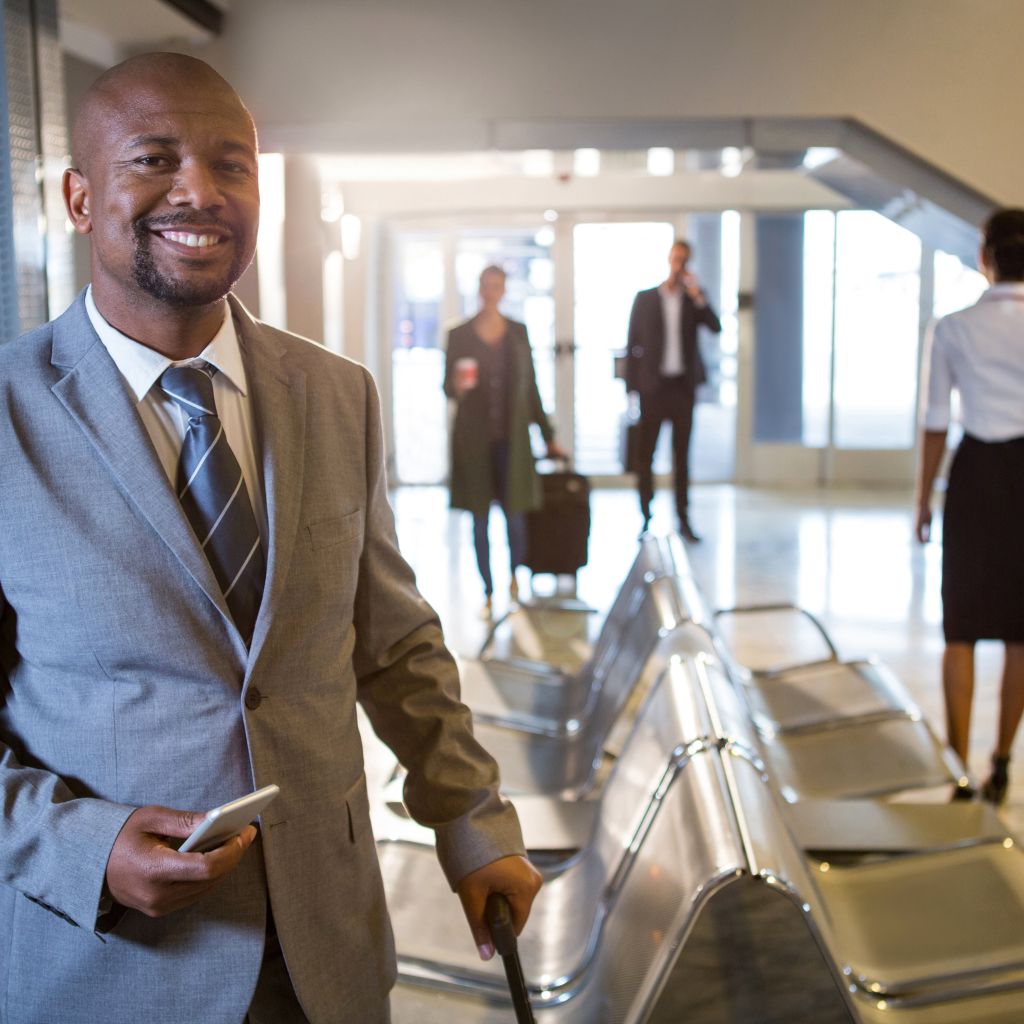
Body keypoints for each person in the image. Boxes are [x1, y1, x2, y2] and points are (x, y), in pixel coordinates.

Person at [0, 53, 540, 1024]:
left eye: (232, 164)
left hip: (326, 948)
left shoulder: (336, 393)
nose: (198, 192)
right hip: (112, 967)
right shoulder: (9, 414)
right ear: (81, 197)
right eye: (154, 159)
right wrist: (85, 846)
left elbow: (393, 640)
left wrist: (469, 817)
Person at [914, 207, 1024, 806]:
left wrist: (922, 499)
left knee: (961, 629)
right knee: (1020, 633)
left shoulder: (954, 328)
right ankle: (1002, 762)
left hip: (976, 474)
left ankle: (958, 766)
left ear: (985, 259)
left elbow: (935, 423)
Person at [444, 265, 564, 615]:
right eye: (486, 285)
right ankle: (488, 590)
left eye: (498, 285)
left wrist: (548, 435)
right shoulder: (460, 335)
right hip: (474, 442)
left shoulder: (517, 333)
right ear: (480, 289)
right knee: (479, 518)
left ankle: (515, 580)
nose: (491, 291)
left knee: (515, 516)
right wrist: (458, 386)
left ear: (504, 289)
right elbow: (447, 388)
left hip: (512, 442)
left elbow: (532, 389)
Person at [625, 239, 721, 543]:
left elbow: (715, 327)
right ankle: (646, 517)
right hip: (652, 390)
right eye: (676, 258)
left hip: (682, 389)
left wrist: (698, 296)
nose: (679, 265)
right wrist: (631, 389)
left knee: (682, 458)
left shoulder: (693, 300)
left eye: (685, 260)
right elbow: (632, 345)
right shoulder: (646, 299)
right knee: (646, 457)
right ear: (669, 259)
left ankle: (683, 519)